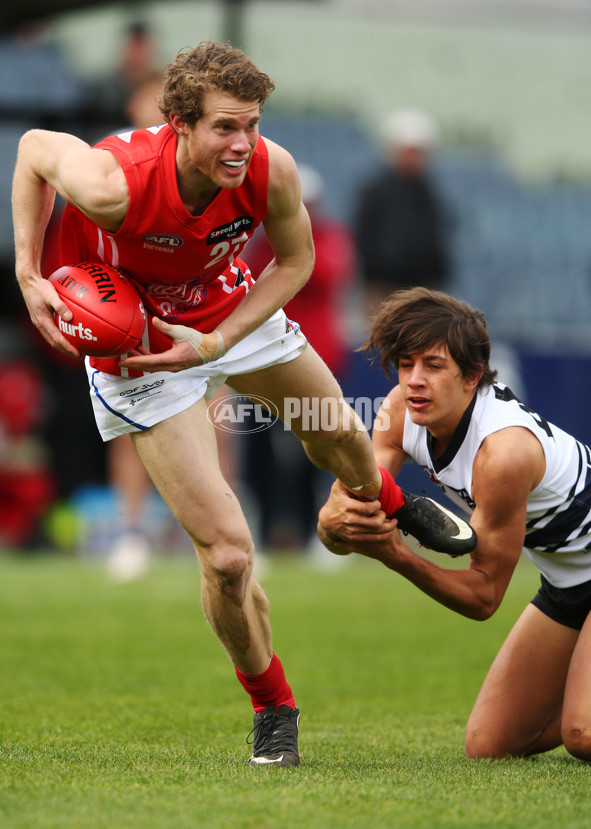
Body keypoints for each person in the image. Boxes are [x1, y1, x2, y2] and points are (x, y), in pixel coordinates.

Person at [12, 41, 475, 768]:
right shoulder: (115, 185)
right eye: (225, 127)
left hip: (221, 313)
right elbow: (36, 147)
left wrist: (218, 338)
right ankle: (273, 705)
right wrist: (28, 269)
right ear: (178, 124)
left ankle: (385, 497)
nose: (243, 143)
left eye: (252, 124)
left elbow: (295, 260)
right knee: (228, 556)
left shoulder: (270, 169)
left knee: (338, 435)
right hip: (135, 347)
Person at [317, 286, 591, 763]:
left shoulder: (504, 453)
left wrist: (396, 556)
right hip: (568, 580)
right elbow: (342, 513)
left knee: (586, 735)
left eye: (432, 365)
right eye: (406, 365)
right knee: (488, 747)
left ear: (471, 376)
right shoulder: (398, 413)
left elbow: (484, 596)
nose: (414, 381)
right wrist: (335, 523)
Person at [242, 163, 358, 552]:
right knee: (259, 452)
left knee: (319, 448)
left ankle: (316, 532)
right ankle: (265, 531)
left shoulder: (330, 239)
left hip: (317, 357)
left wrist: (288, 254)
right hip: (261, 361)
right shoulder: (261, 246)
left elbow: (318, 274)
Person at [354, 109, 452, 314]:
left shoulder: (430, 193)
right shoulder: (375, 191)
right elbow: (362, 235)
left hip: (421, 287)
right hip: (382, 286)